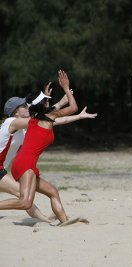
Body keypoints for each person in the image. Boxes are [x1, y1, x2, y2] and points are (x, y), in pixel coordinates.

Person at [0, 70, 83, 225]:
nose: (48, 102)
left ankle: (64, 221)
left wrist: (46, 101)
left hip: (19, 164)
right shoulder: (21, 121)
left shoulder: (35, 122)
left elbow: (55, 116)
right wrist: (66, 89)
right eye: (46, 101)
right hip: (24, 164)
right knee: (25, 202)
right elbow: (71, 108)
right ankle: (51, 219)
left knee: (52, 191)